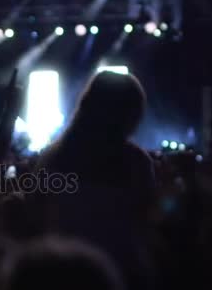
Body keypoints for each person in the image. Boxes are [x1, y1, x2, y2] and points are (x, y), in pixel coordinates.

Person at [35, 71, 157, 289]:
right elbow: (145, 221)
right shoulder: (135, 162)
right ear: (127, 113)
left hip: (61, 272)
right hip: (121, 272)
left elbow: (35, 216)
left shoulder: (53, 159)